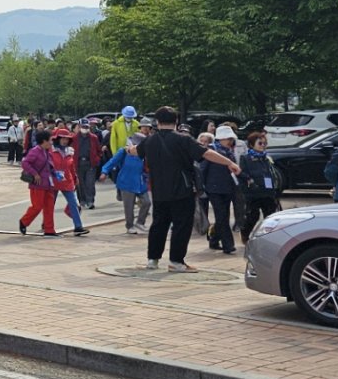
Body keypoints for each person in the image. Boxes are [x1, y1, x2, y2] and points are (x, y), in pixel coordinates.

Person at [140, 107, 239, 272]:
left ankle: (152, 260)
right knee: (181, 226)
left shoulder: (150, 140)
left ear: (157, 122)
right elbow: (206, 153)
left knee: (158, 225)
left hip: (158, 192)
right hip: (182, 190)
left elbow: (135, 151)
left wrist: (128, 149)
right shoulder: (183, 139)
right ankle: (176, 261)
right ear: (176, 121)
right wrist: (229, 163)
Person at [201, 126, 241, 255]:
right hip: (214, 189)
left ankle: (214, 239)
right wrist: (201, 186)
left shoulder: (229, 152)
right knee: (222, 216)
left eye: (231, 139)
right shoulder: (211, 151)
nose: (230, 141)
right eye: (228, 138)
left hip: (228, 188)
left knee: (223, 216)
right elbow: (203, 169)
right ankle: (228, 245)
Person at [237, 131, 281, 244]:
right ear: (252, 144)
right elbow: (241, 173)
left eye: (264, 143)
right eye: (260, 143)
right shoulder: (245, 158)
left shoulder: (266, 158)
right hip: (253, 193)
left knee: (270, 216)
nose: (263, 145)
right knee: (253, 216)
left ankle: (269, 237)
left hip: (268, 191)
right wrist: (249, 181)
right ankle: (245, 233)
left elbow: (272, 173)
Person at [101, 134, 150, 235]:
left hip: (140, 182)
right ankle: (129, 226)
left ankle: (140, 222)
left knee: (147, 202)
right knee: (129, 206)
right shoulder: (123, 152)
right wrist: (104, 172)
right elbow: (112, 162)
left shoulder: (144, 153)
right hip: (126, 182)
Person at [18, 129, 59, 237]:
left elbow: (50, 166)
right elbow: (25, 163)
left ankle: (49, 230)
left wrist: (55, 174)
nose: (51, 142)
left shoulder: (48, 151)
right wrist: (35, 174)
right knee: (37, 206)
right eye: (50, 140)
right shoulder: (35, 151)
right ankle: (24, 221)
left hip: (48, 184)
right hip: (37, 184)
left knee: (49, 207)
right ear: (44, 141)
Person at [50, 129, 89, 237]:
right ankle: (47, 224)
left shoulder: (70, 151)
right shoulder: (50, 151)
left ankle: (78, 227)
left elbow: (71, 167)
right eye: (62, 138)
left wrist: (75, 178)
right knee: (50, 205)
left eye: (66, 139)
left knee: (73, 204)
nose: (64, 141)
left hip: (67, 181)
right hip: (53, 181)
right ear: (57, 139)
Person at [74, 120, 101, 210]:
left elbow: (99, 150)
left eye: (86, 127)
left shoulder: (93, 138)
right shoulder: (74, 138)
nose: (85, 128)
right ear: (79, 127)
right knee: (80, 184)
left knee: (90, 183)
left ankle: (90, 201)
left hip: (90, 163)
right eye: (83, 127)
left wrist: (97, 159)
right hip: (78, 163)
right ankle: (82, 200)